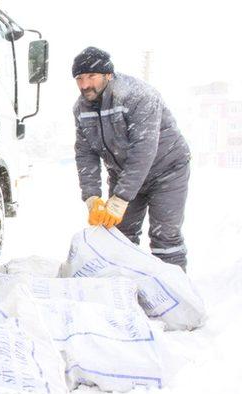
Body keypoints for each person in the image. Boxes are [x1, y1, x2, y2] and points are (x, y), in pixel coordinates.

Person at [72, 47, 191, 270]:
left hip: (166, 171)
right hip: (124, 173)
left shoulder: (138, 96)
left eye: (91, 76)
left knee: (165, 237)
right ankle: (125, 291)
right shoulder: (81, 108)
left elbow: (143, 150)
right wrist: (91, 197)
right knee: (120, 236)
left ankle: (175, 295)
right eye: (79, 78)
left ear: (108, 74)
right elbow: (85, 152)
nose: (84, 84)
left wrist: (120, 198)